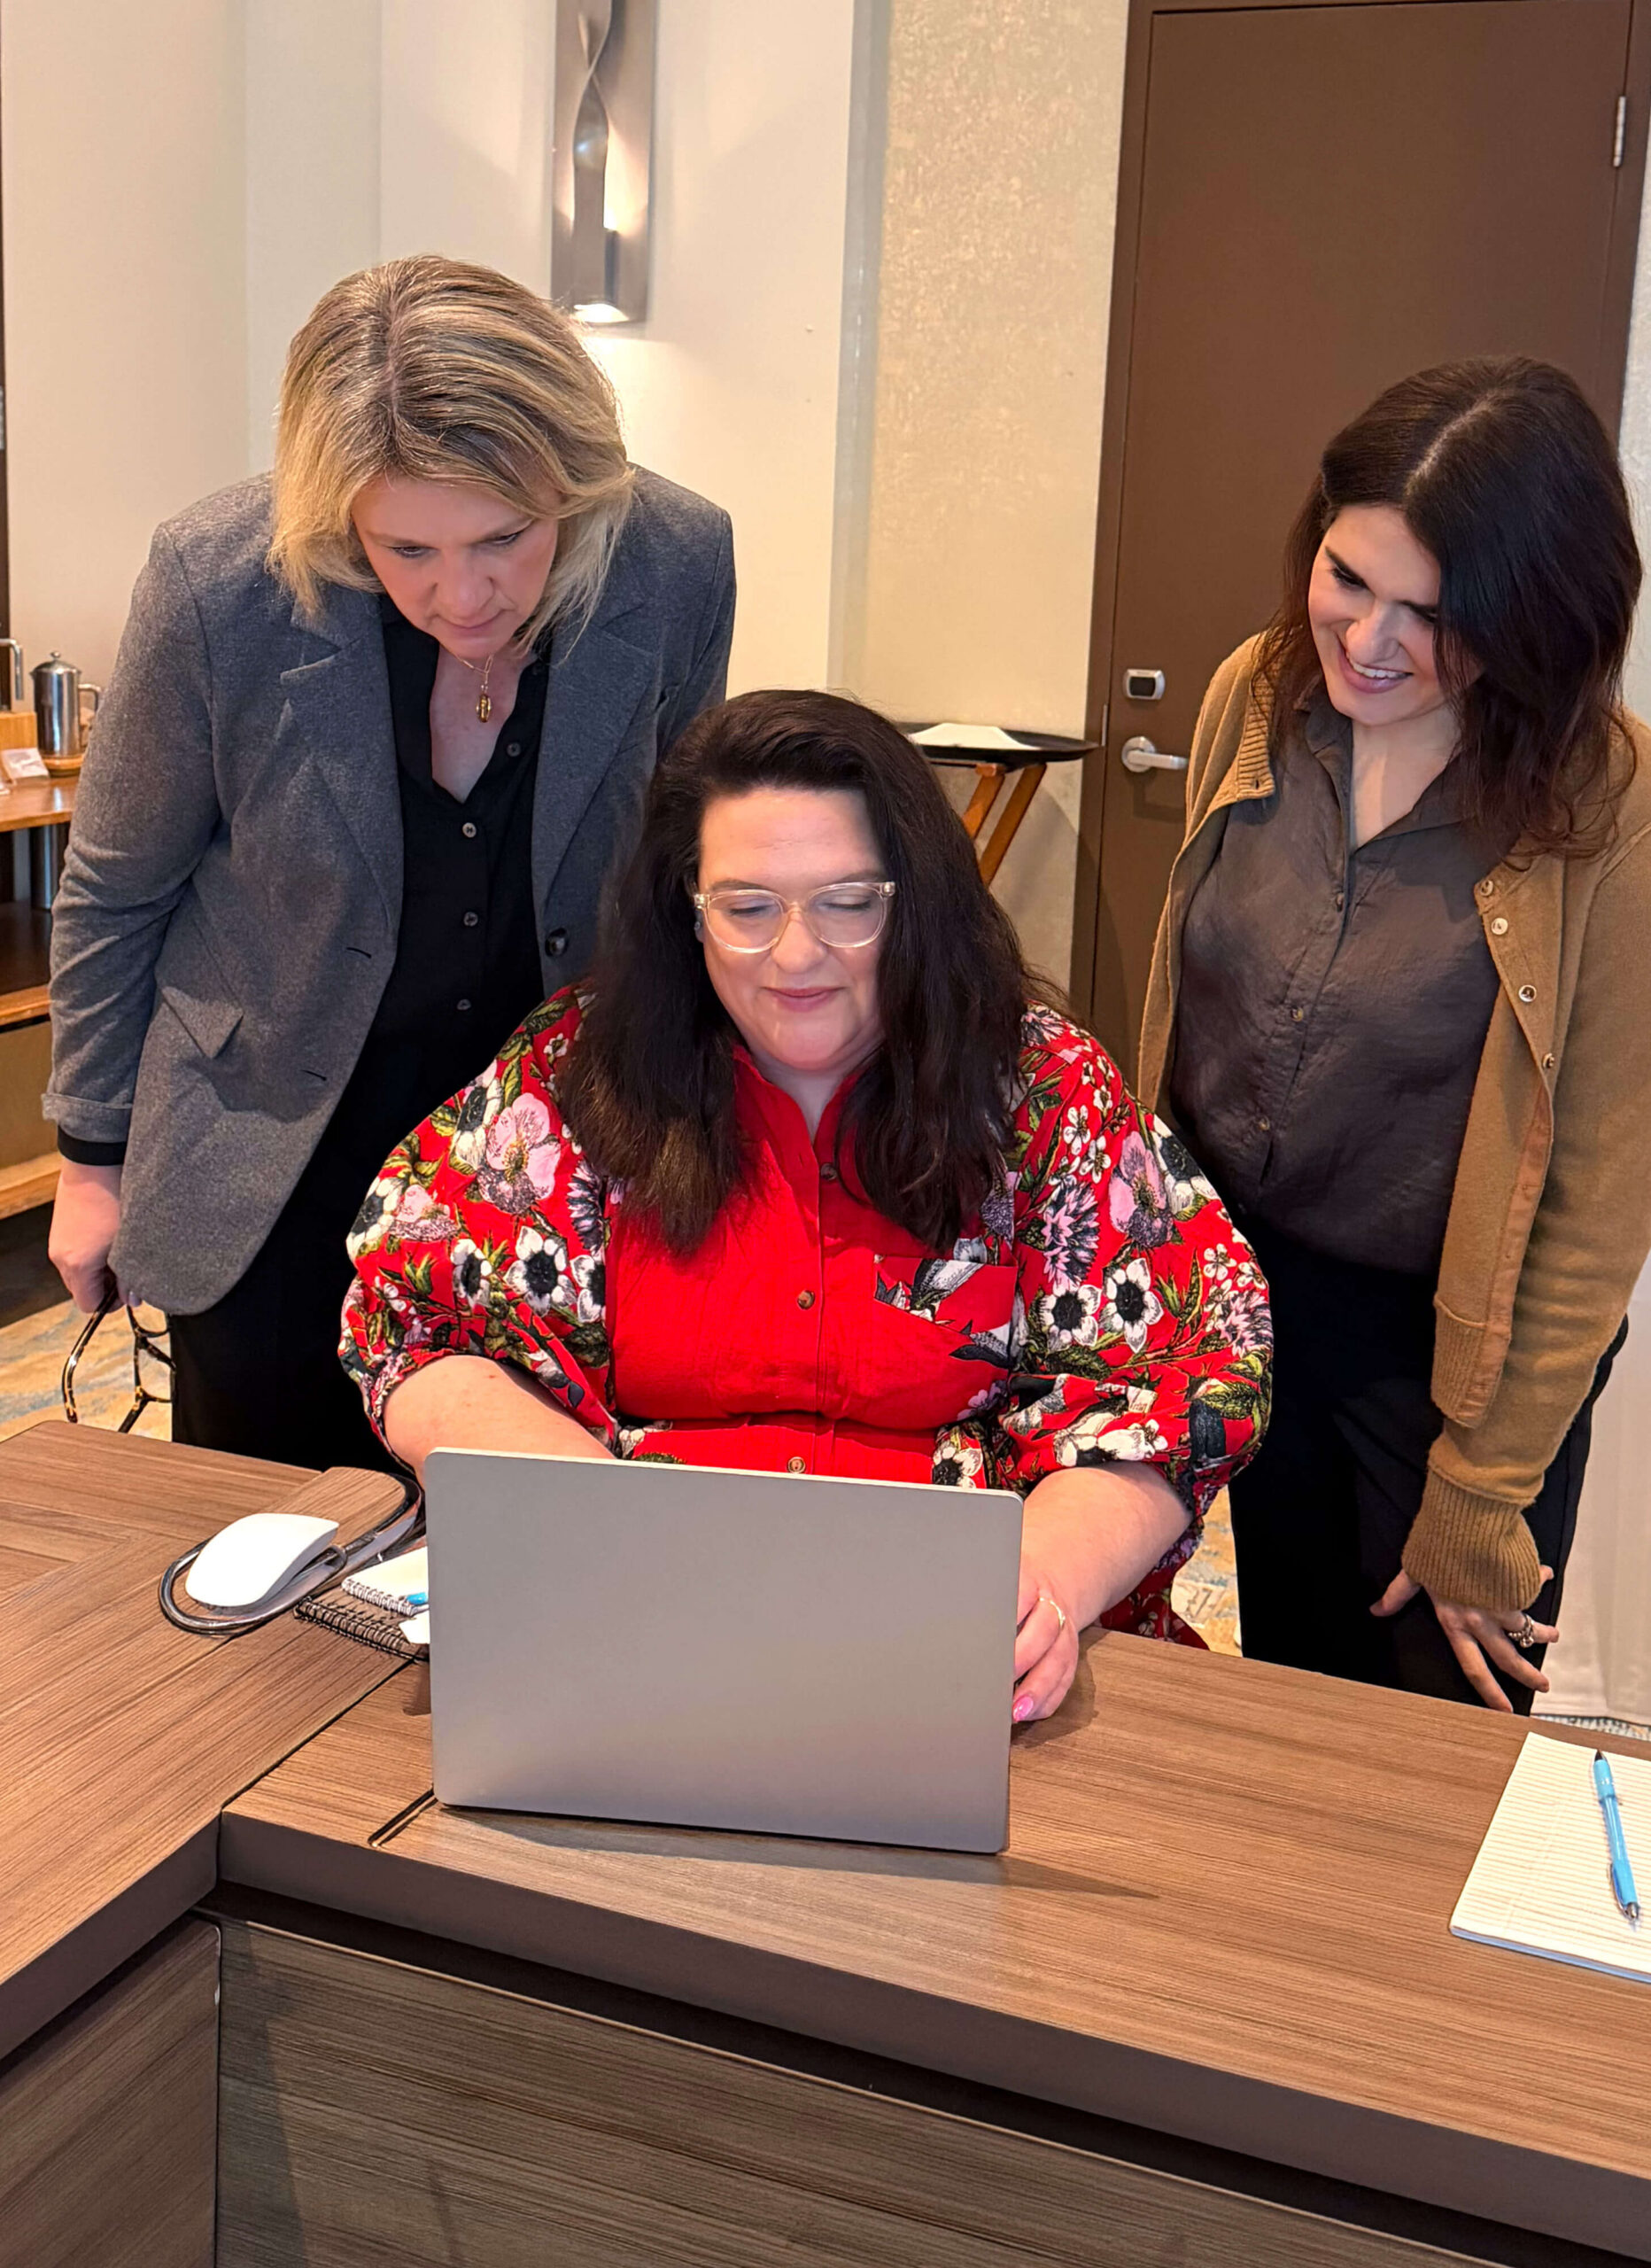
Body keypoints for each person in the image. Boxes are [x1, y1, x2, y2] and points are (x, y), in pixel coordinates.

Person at [343, 689, 1272, 1722]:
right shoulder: (577, 1074)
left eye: (846, 902)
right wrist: (607, 1529)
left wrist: (1042, 1586)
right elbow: (415, 1327)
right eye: (746, 908)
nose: (794, 956)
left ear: (912, 900)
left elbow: (1187, 1374)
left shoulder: (1043, 1089)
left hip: (956, 1650)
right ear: (685, 909)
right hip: (629, 1620)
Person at [45, 255, 735, 1467]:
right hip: (276, 1143)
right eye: (404, 549)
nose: (460, 595)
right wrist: (89, 1161)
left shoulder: (672, 562)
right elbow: (116, 888)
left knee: (524, 1537)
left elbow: (677, 864)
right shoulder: (220, 583)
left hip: (547, 1154)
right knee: (265, 1544)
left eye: (505, 540)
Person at [1137, 356, 1651, 1714]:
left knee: (1434, 1733)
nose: (1369, 644)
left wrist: (1484, 1481)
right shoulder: (1255, 694)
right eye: (1346, 579)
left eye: (1433, 616)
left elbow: (1595, 1198)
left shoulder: (1619, 812)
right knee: (1290, 1693)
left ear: (1536, 619)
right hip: (1249, 1299)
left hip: (1448, 1349)